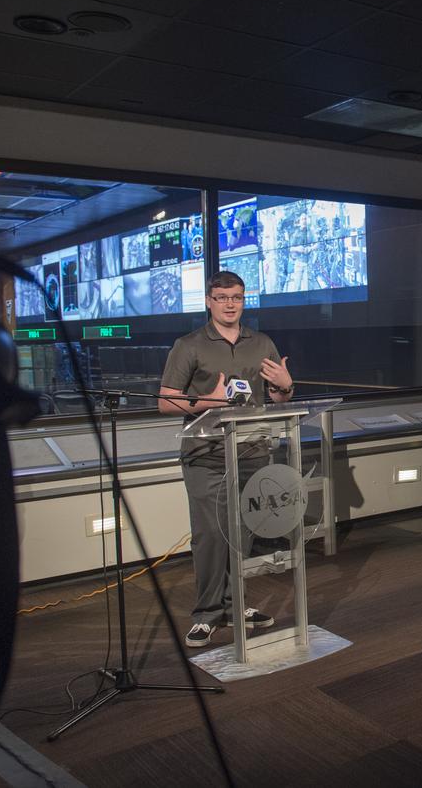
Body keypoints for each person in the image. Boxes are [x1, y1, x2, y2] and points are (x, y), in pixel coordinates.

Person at [157, 271, 295, 648]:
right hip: (206, 454)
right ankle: (207, 614)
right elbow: (165, 401)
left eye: (237, 297)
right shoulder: (188, 345)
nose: (230, 303)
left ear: (244, 300)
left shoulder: (261, 341)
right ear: (209, 301)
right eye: (222, 297)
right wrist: (207, 402)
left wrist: (285, 386)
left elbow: (278, 399)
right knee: (210, 536)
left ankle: (236, 607)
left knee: (243, 533)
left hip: (251, 452)